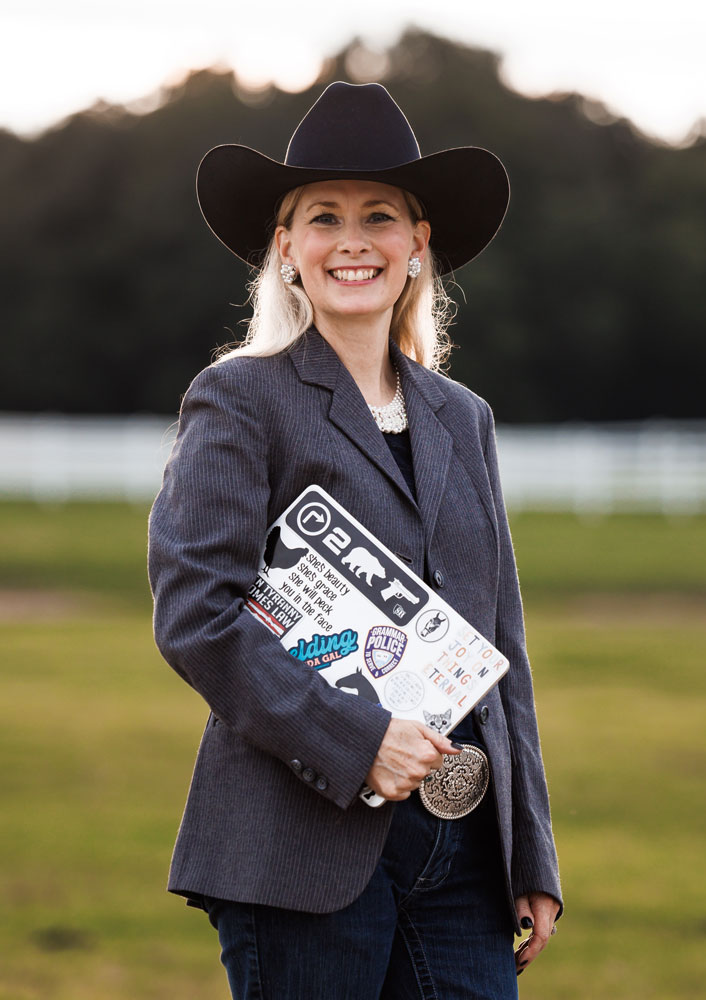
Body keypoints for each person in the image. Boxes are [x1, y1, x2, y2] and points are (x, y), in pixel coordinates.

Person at [148, 81, 562, 1000]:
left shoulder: (465, 419)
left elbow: (502, 649)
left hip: (463, 855)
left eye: (379, 216)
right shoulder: (239, 399)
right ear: (286, 249)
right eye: (321, 217)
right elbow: (197, 616)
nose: (351, 241)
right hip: (298, 844)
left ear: (417, 245)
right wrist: (359, 739)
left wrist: (529, 850)